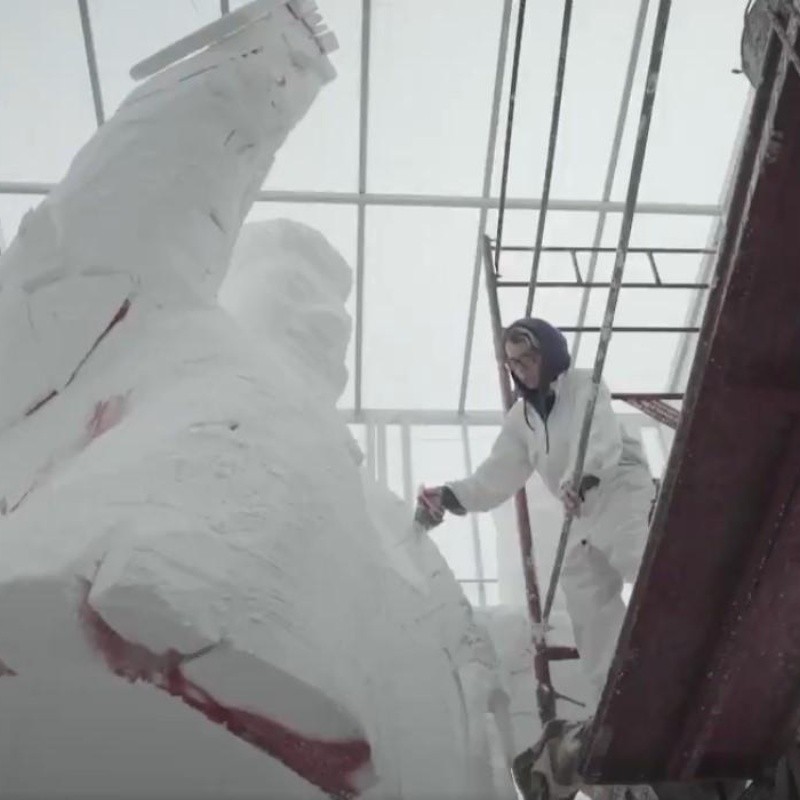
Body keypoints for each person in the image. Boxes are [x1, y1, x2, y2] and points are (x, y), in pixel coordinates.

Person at [417, 317, 655, 706]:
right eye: (513, 362)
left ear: (550, 353)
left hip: (616, 488)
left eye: (528, 357)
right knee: (586, 601)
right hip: (576, 513)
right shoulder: (521, 420)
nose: (521, 368)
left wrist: (583, 475)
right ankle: (615, 698)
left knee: (636, 556)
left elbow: (598, 435)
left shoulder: (581, 385)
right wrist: (450, 495)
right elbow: (495, 478)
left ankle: (689, 640)